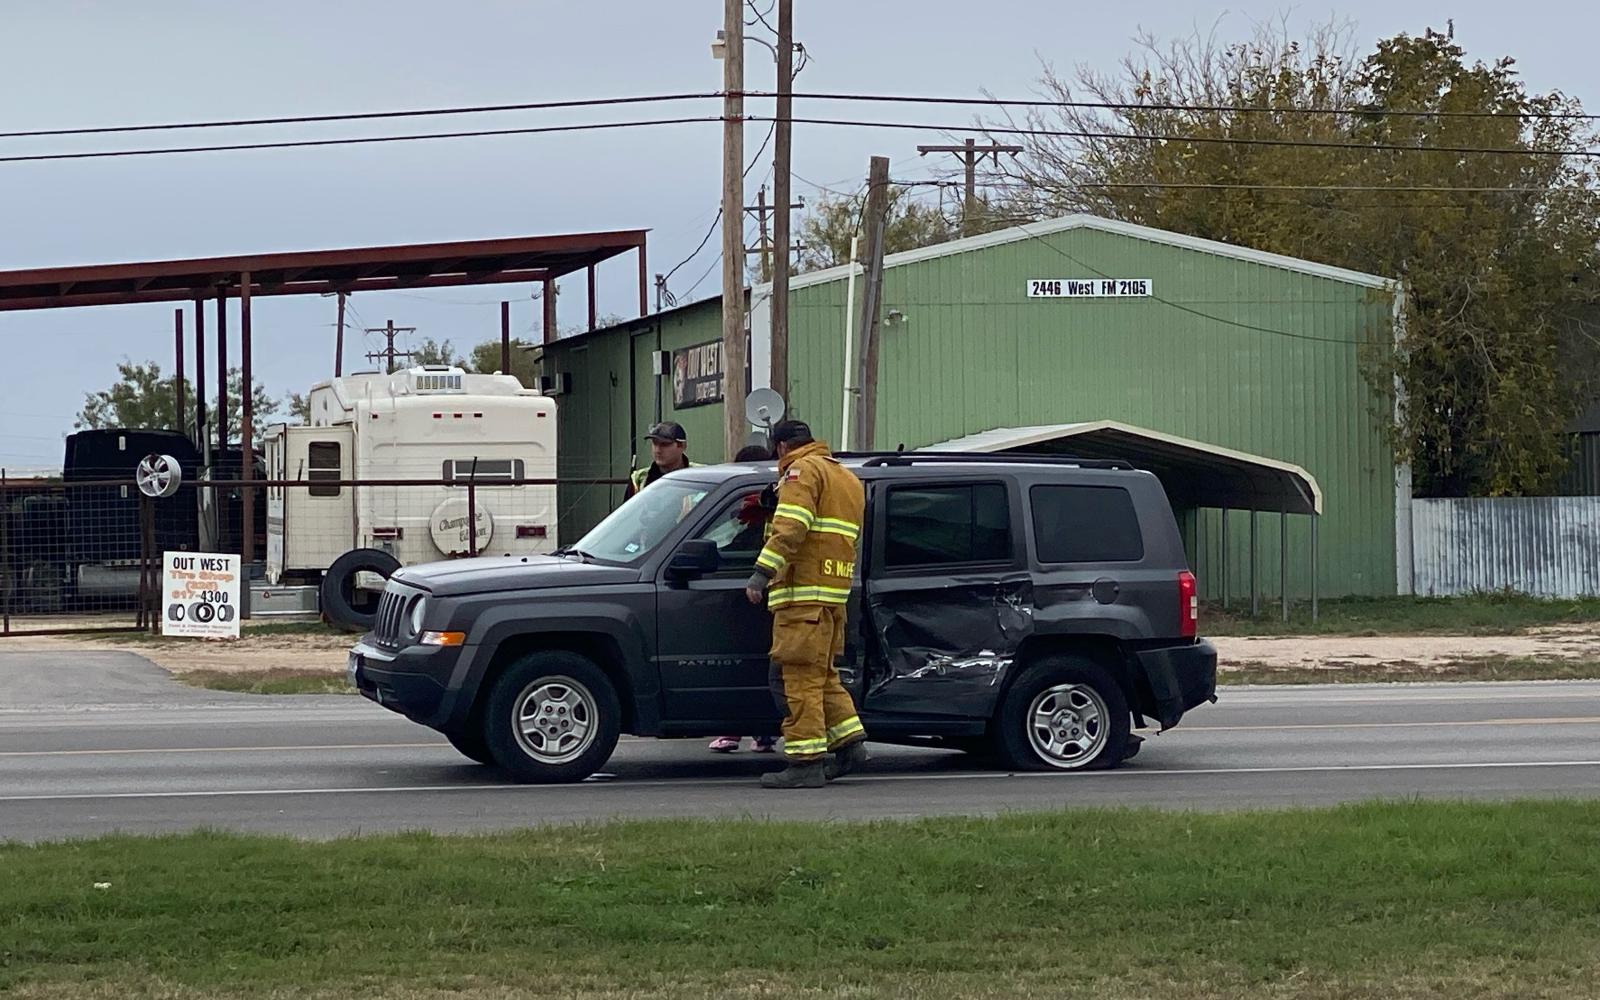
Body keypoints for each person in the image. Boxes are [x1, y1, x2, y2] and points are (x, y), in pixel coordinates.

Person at [745, 420, 868, 789]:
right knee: (822, 676)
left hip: (802, 596)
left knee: (796, 680)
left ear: (781, 447)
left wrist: (761, 574)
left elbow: (794, 527)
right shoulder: (846, 478)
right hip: (831, 596)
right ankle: (849, 744)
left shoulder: (801, 471)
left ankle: (805, 763)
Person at [708, 442, 780, 755]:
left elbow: (767, 544)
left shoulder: (775, 503)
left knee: (762, 665)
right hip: (767, 595)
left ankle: (752, 730)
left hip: (765, 595)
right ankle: (758, 732)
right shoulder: (758, 505)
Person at [624, 421, 697, 501]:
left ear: (682, 446)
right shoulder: (639, 479)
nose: (657, 450)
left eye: (664, 444)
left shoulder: (700, 476)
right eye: (654, 443)